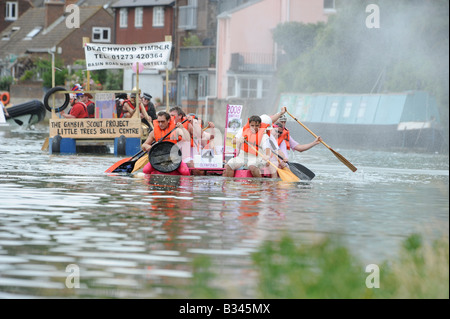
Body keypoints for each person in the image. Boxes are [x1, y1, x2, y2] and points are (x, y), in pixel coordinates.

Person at [142, 111, 191, 175]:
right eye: (158, 122)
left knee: (185, 172)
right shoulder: (153, 132)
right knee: (145, 170)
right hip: (159, 157)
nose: (160, 124)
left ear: (168, 120)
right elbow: (144, 145)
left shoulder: (176, 130)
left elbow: (188, 139)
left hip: (174, 157)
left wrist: (182, 128)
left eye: (162, 121)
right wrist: (148, 147)